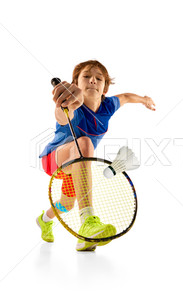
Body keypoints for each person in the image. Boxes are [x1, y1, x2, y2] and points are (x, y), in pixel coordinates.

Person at [36, 60, 156, 251]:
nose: (92, 80)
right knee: (85, 142)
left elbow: (125, 97)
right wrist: (63, 105)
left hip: (78, 164)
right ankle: (89, 222)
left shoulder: (108, 106)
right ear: (75, 84)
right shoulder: (72, 105)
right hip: (54, 159)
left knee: (67, 204)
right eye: (86, 76)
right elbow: (61, 115)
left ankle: (45, 220)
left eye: (98, 78)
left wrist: (144, 99)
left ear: (104, 89)